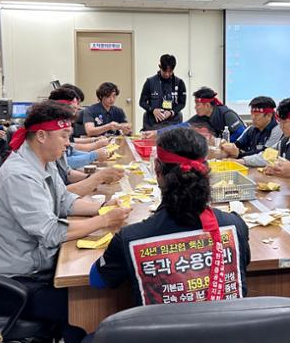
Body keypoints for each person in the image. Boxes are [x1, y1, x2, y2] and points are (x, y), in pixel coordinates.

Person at [0, 100, 131, 343]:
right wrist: (103, 221)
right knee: (98, 305)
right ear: (43, 136)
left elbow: (65, 201)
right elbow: (50, 232)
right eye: (64, 136)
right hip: (8, 283)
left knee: (95, 299)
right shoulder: (20, 175)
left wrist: (103, 209)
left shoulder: (41, 164)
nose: (68, 142)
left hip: (32, 269)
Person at [89, 127, 251, 306]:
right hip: (228, 333)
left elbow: (96, 280)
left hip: (159, 335)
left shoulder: (131, 238)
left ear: (157, 170)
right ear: (206, 171)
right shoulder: (235, 226)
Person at [240, 96, 290, 167]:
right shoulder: (285, 142)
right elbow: (266, 156)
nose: (281, 126)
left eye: (284, 122)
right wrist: (242, 161)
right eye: (279, 122)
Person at [221, 96, 282, 163]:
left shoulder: (277, 130)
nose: (253, 118)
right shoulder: (251, 129)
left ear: (269, 115)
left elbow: (265, 155)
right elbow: (237, 145)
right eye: (252, 114)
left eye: (256, 115)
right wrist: (227, 147)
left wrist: (239, 154)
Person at [139, 54, 187, 130]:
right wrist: (153, 110)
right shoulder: (150, 82)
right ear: (160, 66)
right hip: (153, 122)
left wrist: (172, 112)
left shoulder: (179, 83)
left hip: (173, 122)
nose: (167, 74)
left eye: (170, 71)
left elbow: (182, 103)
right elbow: (142, 102)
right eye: (165, 71)